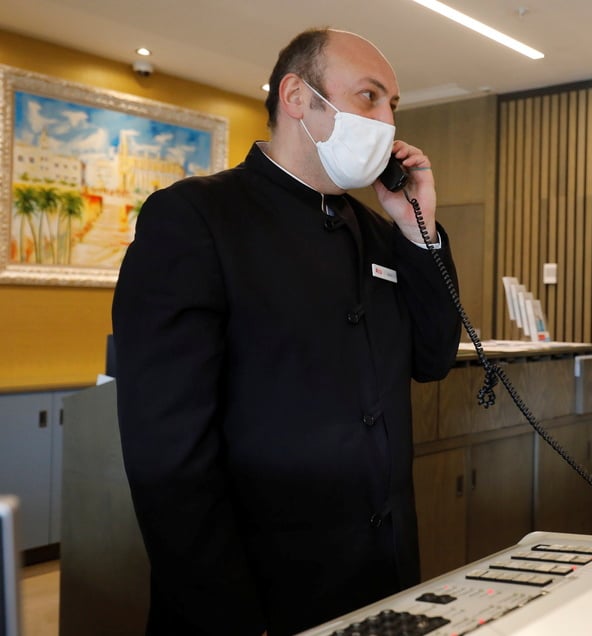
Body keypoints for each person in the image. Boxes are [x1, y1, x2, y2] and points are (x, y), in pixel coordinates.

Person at [112, 27, 461, 636]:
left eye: (392, 106)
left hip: (383, 582)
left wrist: (419, 227)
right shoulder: (195, 217)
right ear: (297, 96)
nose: (385, 122)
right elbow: (168, 454)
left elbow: (433, 356)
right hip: (255, 594)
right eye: (370, 97)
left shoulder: (383, 233)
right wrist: (227, 612)